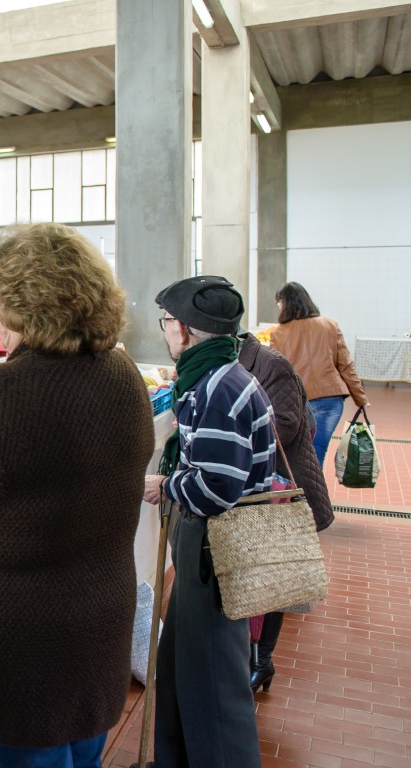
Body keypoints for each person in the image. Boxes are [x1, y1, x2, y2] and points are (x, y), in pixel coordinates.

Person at [0, 223, 153, 768]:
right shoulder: (123, 374)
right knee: (83, 757)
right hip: (100, 622)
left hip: (24, 644)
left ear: (25, 303)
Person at [143, 275, 276, 768]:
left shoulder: (220, 387)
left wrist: (168, 485)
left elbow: (217, 488)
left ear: (185, 329)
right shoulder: (215, 376)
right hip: (204, 543)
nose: (165, 333)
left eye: (166, 323)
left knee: (215, 683)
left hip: (214, 546)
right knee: (184, 665)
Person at [238, 329, 334, 694]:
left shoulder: (270, 365)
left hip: (281, 488)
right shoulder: (239, 364)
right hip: (263, 489)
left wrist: (231, 437)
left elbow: (287, 425)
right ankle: (256, 660)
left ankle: (262, 662)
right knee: (258, 579)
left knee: (274, 580)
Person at [269, 282, 368, 467]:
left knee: (298, 455)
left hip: (298, 402)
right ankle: (312, 494)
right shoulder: (330, 325)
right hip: (330, 400)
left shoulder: (279, 333)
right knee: (316, 454)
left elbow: (277, 371)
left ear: (284, 303)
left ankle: (305, 494)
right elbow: (345, 365)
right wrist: (360, 398)